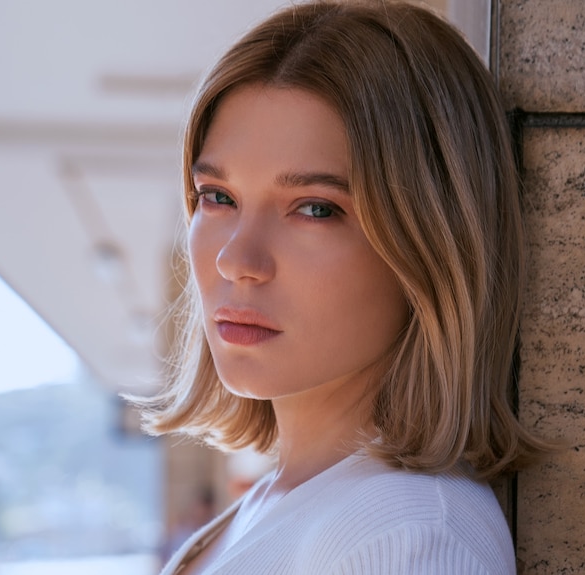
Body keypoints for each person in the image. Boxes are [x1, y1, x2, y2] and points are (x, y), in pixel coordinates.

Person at [134, 1, 555, 573]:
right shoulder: (277, 506)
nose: (238, 259)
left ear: (431, 240)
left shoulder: (408, 538)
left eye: (314, 208)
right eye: (218, 197)